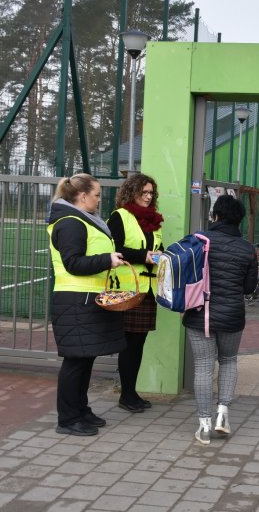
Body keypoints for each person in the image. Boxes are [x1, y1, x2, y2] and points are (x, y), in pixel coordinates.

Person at [47, 173, 126, 437]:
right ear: (82, 196)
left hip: (87, 299)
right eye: (97, 195)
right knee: (75, 361)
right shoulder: (70, 223)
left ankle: (80, 410)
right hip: (75, 299)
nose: (99, 200)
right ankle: (67, 418)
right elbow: (73, 263)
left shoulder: (84, 220)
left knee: (85, 358)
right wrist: (107, 260)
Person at [183, 194, 258, 444]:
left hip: (198, 315)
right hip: (232, 317)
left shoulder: (198, 240)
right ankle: (222, 415)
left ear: (215, 215)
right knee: (228, 361)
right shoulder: (247, 248)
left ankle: (203, 425)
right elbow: (249, 288)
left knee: (203, 367)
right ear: (239, 220)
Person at [107, 173, 164, 413]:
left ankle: (130, 392)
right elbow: (114, 249)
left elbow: (157, 248)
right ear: (132, 192)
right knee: (129, 344)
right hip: (127, 289)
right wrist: (143, 256)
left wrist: (162, 255)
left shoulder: (155, 220)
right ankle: (127, 395)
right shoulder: (119, 217)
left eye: (151, 193)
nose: (149, 197)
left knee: (138, 343)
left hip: (148, 289)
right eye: (144, 192)